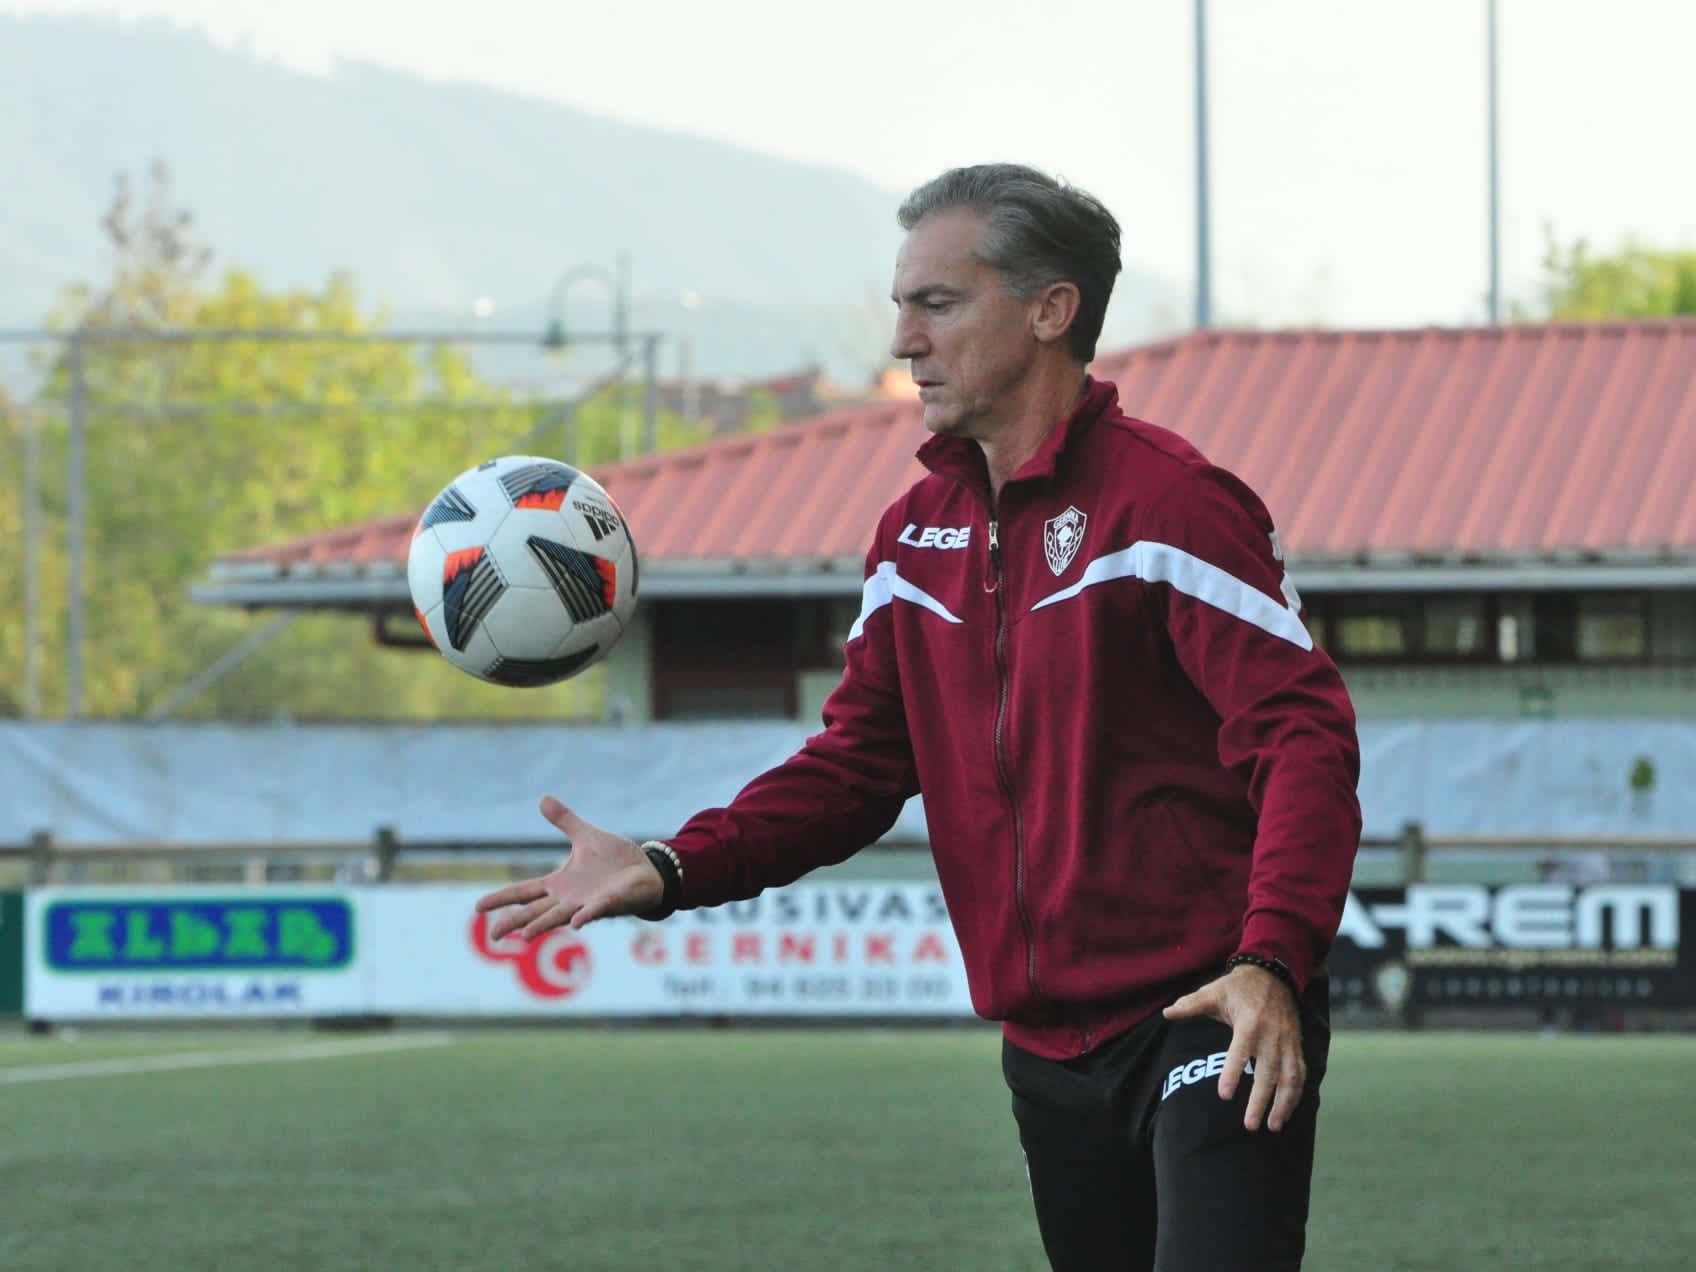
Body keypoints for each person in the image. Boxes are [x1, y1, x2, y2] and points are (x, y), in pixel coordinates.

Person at [478, 163, 1362, 1271]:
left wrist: (1272, 961)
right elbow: (856, 765)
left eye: (935, 304)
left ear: (1051, 311)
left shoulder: (1171, 509)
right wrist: (669, 865)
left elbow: (1303, 738)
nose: (903, 339)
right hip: (1043, 1047)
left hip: (1206, 1010)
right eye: (902, 306)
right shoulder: (912, 537)